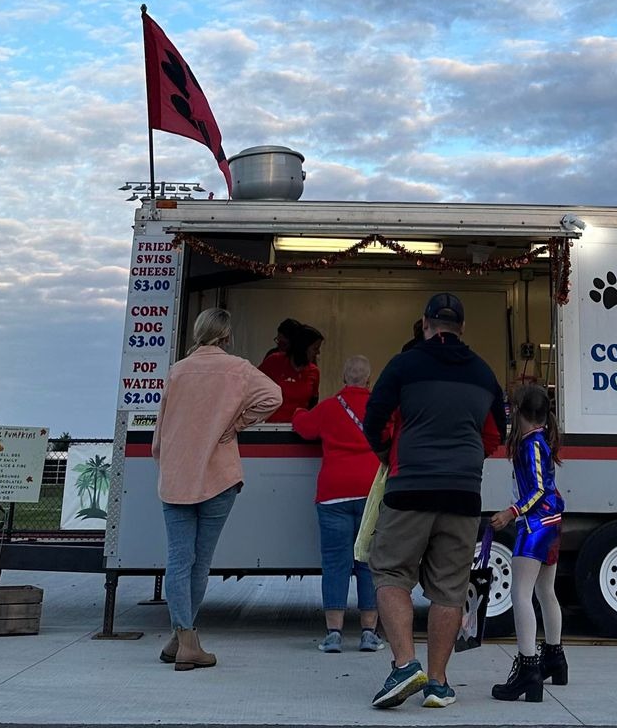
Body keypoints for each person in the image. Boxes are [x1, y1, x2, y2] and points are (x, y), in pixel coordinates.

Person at [361, 293, 504, 710]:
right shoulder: (483, 373)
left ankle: (405, 665)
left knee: (390, 571)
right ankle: (438, 684)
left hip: (410, 489)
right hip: (462, 494)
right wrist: (466, 461)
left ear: (425, 323)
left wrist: (392, 455)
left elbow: (374, 420)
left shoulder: (404, 365)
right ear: (461, 327)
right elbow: (495, 433)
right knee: (449, 588)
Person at [153, 307, 282, 671]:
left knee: (179, 560)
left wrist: (164, 463)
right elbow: (274, 397)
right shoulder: (239, 368)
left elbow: (160, 432)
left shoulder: (176, 372)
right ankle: (187, 641)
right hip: (218, 476)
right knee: (201, 561)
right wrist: (237, 423)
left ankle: (181, 637)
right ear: (226, 336)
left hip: (176, 476)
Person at [292, 354, 382, 654]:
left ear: (344, 378)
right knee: (368, 562)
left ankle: (333, 635)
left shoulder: (330, 406)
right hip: (370, 494)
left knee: (335, 564)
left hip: (333, 494)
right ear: (369, 379)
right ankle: (369, 633)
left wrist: (296, 411)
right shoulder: (379, 406)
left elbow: (303, 426)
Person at [489, 384, 566, 702]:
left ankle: (528, 668)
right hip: (551, 522)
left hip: (534, 524)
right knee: (545, 592)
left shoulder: (530, 443)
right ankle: (554, 657)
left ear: (518, 411)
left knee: (519, 594)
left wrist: (511, 512)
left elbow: (537, 490)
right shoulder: (541, 439)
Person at [257, 322, 323, 424]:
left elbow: (313, 403)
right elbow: (253, 386)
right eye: (315, 348)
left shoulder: (314, 371)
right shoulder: (274, 361)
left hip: (299, 427)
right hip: (273, 427)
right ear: (303, 347)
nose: (318, 352)